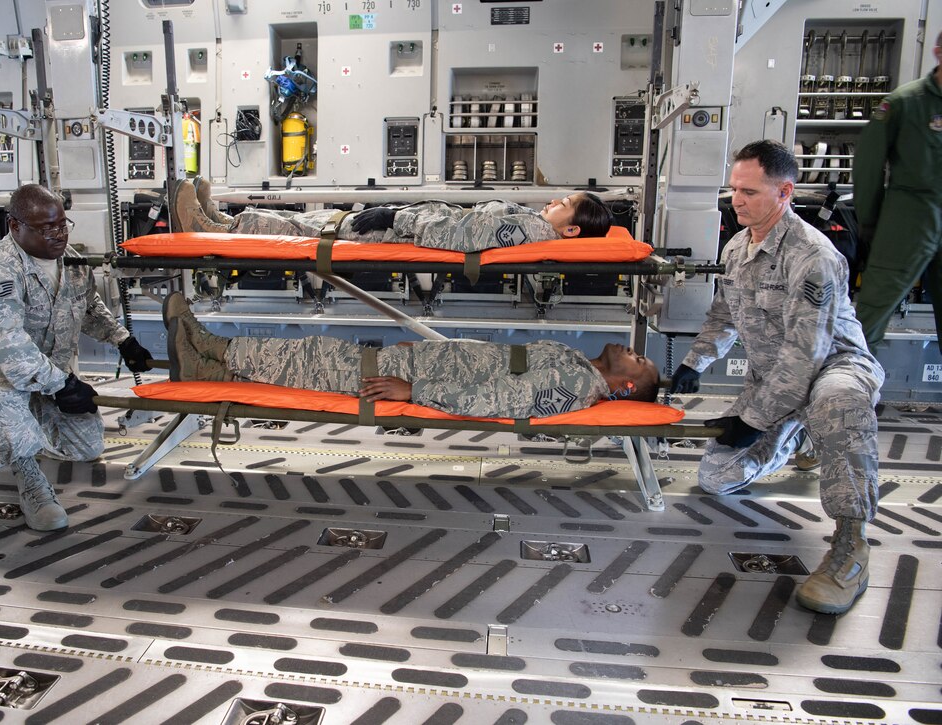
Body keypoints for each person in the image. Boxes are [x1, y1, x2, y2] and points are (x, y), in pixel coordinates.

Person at [669, 140, 884, 615]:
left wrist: (755, 417)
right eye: (733, 190)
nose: (736, 200)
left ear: (784, 192)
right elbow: (724, 315)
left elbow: (807, 355)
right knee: (717, 477)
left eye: (748, 191)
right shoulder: (738, 247)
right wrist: (694, 363)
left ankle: (851, 547)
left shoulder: (813, 256)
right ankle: (802, 437)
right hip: (775, 378)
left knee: (837, 403)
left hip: (833, 368)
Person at [0, 184, 153, 531]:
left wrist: (123, 340)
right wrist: (64, 384)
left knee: (86, 448)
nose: (58, 234)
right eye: (46, 228)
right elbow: (7, 345)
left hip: (46, 371)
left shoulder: (69, 261)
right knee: (1, 385)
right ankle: (30, 481)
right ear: (15, 226)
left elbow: (88, 307)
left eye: (62, 224)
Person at [162, 292, 659, 418]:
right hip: (416, 363)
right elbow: (498, 364)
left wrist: (414, 390)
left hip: (406, 379)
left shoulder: (575, 387)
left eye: (637, 360)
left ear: (626, 387)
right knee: (305, 358)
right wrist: (425, 356)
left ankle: (208, 345)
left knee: (304, 355)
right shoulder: (578, 368)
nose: (630, 350)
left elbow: (497, 400)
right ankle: (201, 362)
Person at [171, 176, 613, 252]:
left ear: (571, 229)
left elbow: (459, 236)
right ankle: (219, 221)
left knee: (299, 229)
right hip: (405, 225)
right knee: (315, 222)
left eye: (565, 205)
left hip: (400, 234)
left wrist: (393, 217)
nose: (555, 200)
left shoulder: (526, 230)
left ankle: (209, 228)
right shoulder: (532, 227)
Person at [853, 30, 942, 354]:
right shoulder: (904, 103)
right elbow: (868, 165)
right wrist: (870, 221)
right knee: (869, 319)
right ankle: (851, 396)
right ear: (937, 52)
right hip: (909, 219)